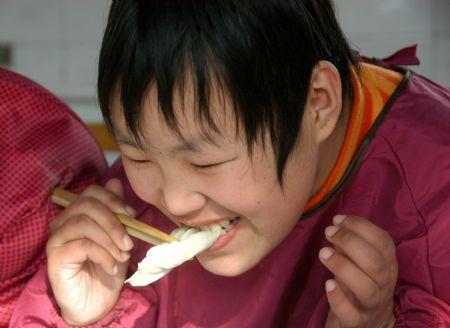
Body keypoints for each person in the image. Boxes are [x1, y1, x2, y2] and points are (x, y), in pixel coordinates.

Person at [10, 0, 450, 327]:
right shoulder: (135, 195)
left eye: (205, 163)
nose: (176, 201)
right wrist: (83, 316)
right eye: (137, 154)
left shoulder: (434, 195)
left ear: (318, 103)